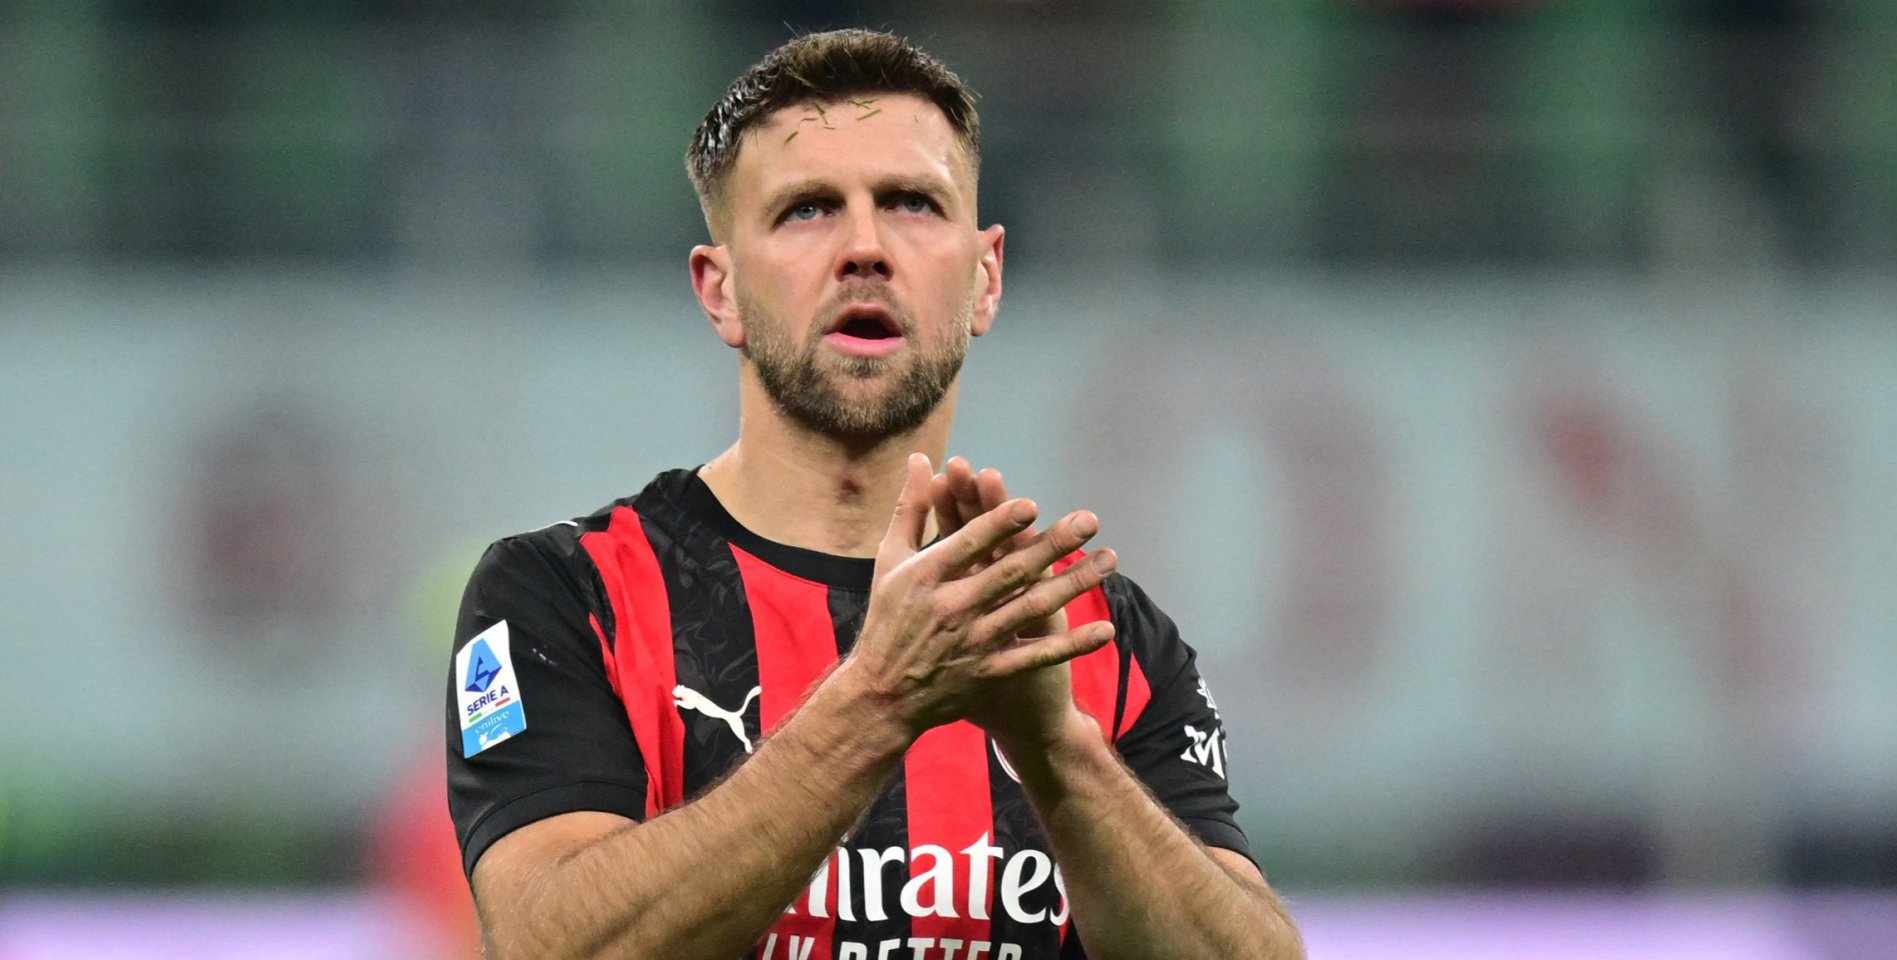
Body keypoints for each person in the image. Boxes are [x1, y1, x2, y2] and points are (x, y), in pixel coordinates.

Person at [445, 28, 1304, 960]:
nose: (865, 247)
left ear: (986, 277)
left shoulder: (1098, 634)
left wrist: (1060, 753)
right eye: (808, 209)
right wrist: (880, 699)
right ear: (720, 291)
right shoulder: (567, 596)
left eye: (911, 204)